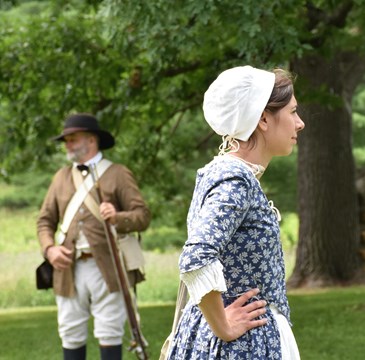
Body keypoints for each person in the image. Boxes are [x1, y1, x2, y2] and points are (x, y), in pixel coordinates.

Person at [165, 65, 305, 359]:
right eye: (292, 112)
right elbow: (196, 256)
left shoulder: (225, 173)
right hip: (240, 347)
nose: (300, 123)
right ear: (264, 118)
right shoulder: (234, 179)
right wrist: (224, 325)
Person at [37, 114, 151, 360]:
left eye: (72, 139)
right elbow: (45, 221)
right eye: (66, 140)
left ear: (91, 140)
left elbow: (143, 216)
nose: (67, 144)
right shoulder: (60, 178)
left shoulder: (118, 173)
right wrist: (50, 250)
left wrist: (118, 217)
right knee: (70, 332)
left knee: (110, 331)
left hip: (108, 267)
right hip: (68, 267)